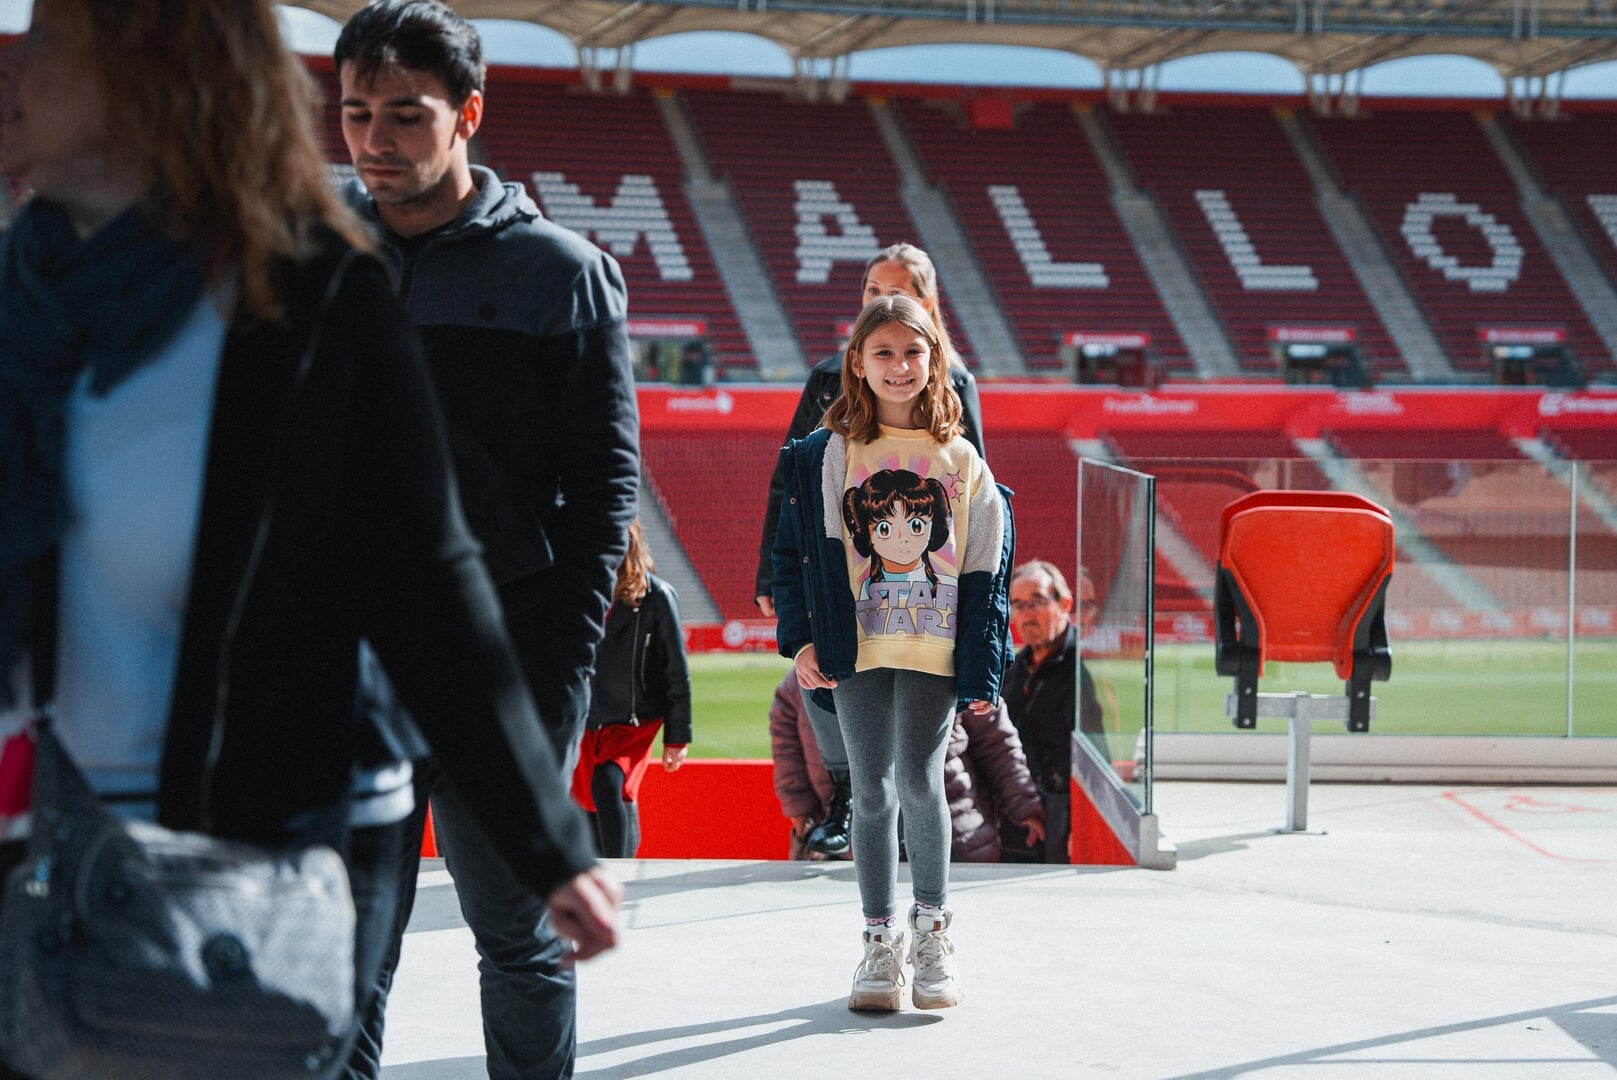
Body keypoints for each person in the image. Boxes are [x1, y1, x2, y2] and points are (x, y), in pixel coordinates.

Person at [0, 3, 618, 1078]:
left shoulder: (314, 290)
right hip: (38, 847)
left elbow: (428, 569)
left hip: (249, 845)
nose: (19, 67)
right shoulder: (23, 294)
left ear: (160, 77)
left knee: (456, 970)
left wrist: (543, 826)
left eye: (55, 41)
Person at [332, 3, 639, 1076]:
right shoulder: (310, 252)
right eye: (357, 112)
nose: (374, 140)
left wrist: (553, 689)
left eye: (406, 117)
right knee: (345, 950)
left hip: (499, 660)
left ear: (467, 114)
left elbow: (603, 497)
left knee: (517, 938)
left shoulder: (561, 274)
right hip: (341, 667)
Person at [773, 294, 1012, 1013]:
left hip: (932, 651)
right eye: (883, 353)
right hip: (856, 648)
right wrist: (802, 639)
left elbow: (985, 575)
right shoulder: (824, 456)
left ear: (934, 361)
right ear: (857, 364)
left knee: (920, 783)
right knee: (869, 791)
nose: (899, 366)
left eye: (913, 352)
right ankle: (878, 946)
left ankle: (933, 933)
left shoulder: (962, 459)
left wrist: (981, 666)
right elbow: (792, 558)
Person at [755, 242, 985, 860]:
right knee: (823, 686)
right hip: (850, 589)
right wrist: (773, 578)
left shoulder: (955, 385)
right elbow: (793, 488)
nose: (885, 299)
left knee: (919, 758)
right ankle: (845, 799)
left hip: (927, 599)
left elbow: (977, 497)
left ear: (928, 303)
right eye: (872, 289)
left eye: (901, 289)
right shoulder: (827, 377)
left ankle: (926, 841)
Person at [771, 670, 1043, 864]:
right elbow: (789, 758)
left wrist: (1024, 805)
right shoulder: (804, 680)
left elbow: (996, 743)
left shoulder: (948, 666)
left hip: (951, 834)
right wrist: (802, 815)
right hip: (852, 847)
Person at [571, 521, 691, 858]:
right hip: (587, 717)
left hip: (633, 720)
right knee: (587, 801)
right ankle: (601, 871)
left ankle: (616, 872)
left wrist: (677, 736)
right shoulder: (576, 592)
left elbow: (676, 670)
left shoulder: (657, 597)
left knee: (607, 784)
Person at [1000, 560, 1111, 864]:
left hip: (1060, 819)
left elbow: (1096, 755)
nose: (1025, 615)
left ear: (1064, 604)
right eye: (1017, 605)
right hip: (1017, 813)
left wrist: (1081, 825)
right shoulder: (1015, 667)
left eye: (1036, 602)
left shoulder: (1080, 669)